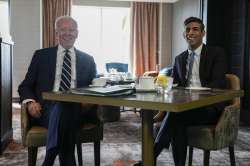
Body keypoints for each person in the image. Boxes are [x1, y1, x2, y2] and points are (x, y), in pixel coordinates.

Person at [135, 17, 228, 166]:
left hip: (209, 107)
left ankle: (150, 157)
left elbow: (218, 83)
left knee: (176, 117)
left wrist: (194, 94)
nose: (191, 32)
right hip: (185, 108)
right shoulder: (179, 59)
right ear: (184, 35)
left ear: (203, 33)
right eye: (187, 30)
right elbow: (176, 86)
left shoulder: (216, 53)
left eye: (195, 29)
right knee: (178, 121)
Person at [18, 16, 98, 166]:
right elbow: (25, 86)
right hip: (46, 109)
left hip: (79, 108)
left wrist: (90, 100)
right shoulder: (41, 56)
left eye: (71, 30)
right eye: (63, 29)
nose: (68, 33)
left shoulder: (88, 59)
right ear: (56, 33)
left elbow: (97, 87)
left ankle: (49, 158)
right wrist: (30, 103)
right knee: (63, 108)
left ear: (77, 33)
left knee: (67, 106)